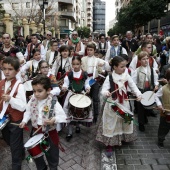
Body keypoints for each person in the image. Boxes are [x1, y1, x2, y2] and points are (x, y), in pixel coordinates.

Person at [96, 56, 142, 157]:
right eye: (122, 66)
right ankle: (109, 144)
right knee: (111, 123)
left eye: (125, 66)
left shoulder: (127, 75)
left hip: (124, 103)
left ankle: (122, 138)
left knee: (123, 121)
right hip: (113, 104)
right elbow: (104, 89)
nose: (124, 68)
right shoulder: (110, 77)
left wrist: (138, 95)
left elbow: (133, 86)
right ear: (115, 67)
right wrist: (106, 93)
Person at [19, 75, 67, 170]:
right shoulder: (32, 100)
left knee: (52, 157)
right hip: (36, 132)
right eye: (34, 91)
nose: (36, 94)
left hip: (50, 134)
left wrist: (54, 120)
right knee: (37, 157)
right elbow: (28, 111)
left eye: (39, 91)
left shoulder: (53, 102)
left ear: (48, 90)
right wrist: (24, 121)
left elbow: (63, 117)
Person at [0, 57, 26, 170]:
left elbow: (23, 106)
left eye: (10, 69)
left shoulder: (20, 86)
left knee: (14, 148)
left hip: (16, 120)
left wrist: (11, 99)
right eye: (4, 69)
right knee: (9, 141)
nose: (6, 72)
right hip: (4, 119)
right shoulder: (1, 83)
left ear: (17, 71)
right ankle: (22, 150)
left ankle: (16, 166)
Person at [62, 56, 91, 141]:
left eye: (77, 64)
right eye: (74, 64)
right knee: (68, 111)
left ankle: (78, 126)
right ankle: (70, 132)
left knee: (79, 111)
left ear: (81, 64)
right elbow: (65, 84)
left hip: (81, 94)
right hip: (71, 94)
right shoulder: (69, 74)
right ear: (72, 64)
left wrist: (88, 88)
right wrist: (64, 87)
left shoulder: (84, 74)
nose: (76, 66)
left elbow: (87, 84)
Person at [81, 43, 109, 123]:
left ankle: (96, 115)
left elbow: (105, 66)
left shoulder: (97, 60)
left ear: (94, 51)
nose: (89, 51)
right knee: (86, 98)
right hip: (85, 80)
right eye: (88, 50)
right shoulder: (83, 59)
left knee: (95, 98)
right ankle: (86, 114)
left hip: (94, 81)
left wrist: (101, 65)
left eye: (91, 50)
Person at [132, 51, 159, 132]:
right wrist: (135, 92)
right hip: (140, 90)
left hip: (149, 90)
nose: (146, 60)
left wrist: (156, 85)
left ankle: (145, 117)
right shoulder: (137, 70)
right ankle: (141, 123)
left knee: (147, 105)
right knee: (140, 108)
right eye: (143, 59)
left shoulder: (152, 69)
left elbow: (155, 79)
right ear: (139, 60)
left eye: (147, 58)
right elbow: (134, 82)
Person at [155, 68, 170, 148]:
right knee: (163, 127)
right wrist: (159, 104)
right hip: (165, 112)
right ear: (168, 79)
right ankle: (161, 139)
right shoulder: (163, 88)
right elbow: (156, 96)